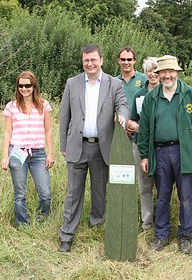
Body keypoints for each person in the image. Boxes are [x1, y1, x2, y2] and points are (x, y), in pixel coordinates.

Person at [138, 55, 192, 254]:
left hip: (185, 152)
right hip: (160, 152)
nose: (168, 75)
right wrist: (144, 155)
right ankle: (161, 235)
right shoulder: (151, 98)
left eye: (171, 71)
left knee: (186, 196)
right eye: (164, 72)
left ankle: (186, 235)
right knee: (162, 196)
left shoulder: (191, 95)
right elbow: (144, 129)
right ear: (158, 74)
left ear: (177, 73)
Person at [58, 44, 130, 253]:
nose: (90, 64)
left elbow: (123, 104)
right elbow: (65, 116)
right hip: (77, 146)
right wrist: (64, 145)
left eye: (93, 60)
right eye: (86, 61)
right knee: (73, 193)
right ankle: (67, 234)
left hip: (102, 147)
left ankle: (97, 225)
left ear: (101, 60)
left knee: (99, 191)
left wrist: (123, 116)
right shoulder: (72, 83)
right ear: (83, 62)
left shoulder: (113, 83)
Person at [1, 70, 54, 226]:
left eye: (27, 85)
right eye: (21, 86)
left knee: (45, 194)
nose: (24, 89)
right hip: (17, 152)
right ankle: (23, 224)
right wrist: (5, 156)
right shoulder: (11, 107)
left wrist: (50, 153)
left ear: (34, 86)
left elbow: (49, 130)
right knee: (19, 193)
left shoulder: (44, 105)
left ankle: (41, 220)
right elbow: (7, 132)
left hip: (38, 153)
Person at [127, 57, 159, 232]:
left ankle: (162, 221)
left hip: (161, 147)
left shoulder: (166, 92)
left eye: (156, 70)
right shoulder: (140, 94)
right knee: (145, 186)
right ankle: (147, 224)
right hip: (141, 145)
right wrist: (136, 126)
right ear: (145, 73)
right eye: (149, 70)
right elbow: (132, 120)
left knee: (163, 187)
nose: (153, 74)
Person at [116, 47, 147, 130]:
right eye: (123, 59)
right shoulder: (114, 82)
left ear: (134, 61)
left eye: (129, 59)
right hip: (120, 129)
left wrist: (134, 125)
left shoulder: (144, 79)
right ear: (119, 61)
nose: (126, 62)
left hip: (139, 129)